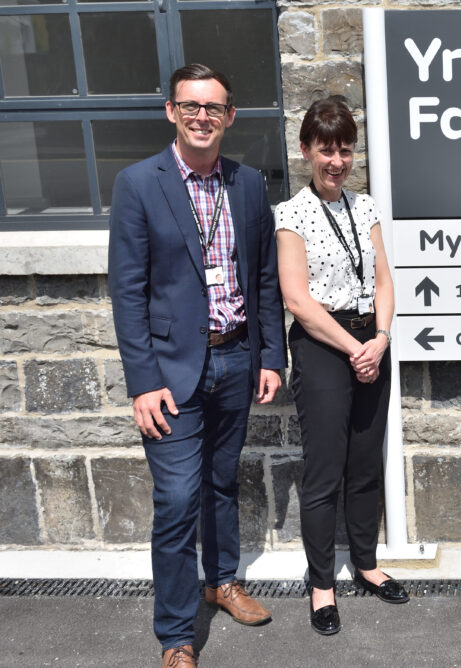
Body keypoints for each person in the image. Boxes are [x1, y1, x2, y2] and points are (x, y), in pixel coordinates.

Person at [108, 63, 286, 667]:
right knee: (179, 498)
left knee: (220, 481)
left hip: (237, 357)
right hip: (171, 372)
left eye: (213, 107)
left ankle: (223, 581)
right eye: (191, 106)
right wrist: (143, 382)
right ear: (171, 112)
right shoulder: (138, 183)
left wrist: (270, 356)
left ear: (230, 116)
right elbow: (128, 293)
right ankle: (177, 635)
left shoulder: (248, 184)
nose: (202, 117)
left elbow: (263, 277)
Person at [275, 96, 408, 636]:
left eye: (346, 150)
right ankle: (322, 584)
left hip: (370, 341)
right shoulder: (290, 215)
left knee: (365, 463)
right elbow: (298, 300)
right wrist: (353, 349)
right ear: (307, 150)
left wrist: (378, 338)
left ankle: (367, 564)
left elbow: (383, 282)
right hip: (323, 345)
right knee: (325, 470)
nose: (337, 161)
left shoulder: (367, 207)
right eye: (326, 150)